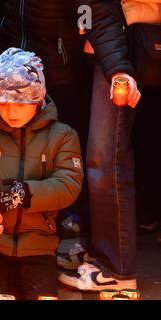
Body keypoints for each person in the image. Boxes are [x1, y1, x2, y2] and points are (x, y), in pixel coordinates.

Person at [0, 48, 84, 299]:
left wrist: (22, 194)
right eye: (3, 103)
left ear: (38, 98)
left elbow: (68, 185)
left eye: (19, 104)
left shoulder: (63, 136)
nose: (10, 111)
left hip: (39, 246)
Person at [58, 0, 141, 291]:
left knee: (106, 159)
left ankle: (117, 270)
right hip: (103, 44)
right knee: (98, 157)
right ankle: (100, 253)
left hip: (121, 45)